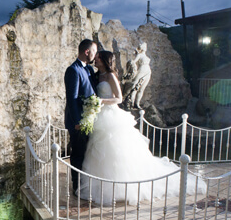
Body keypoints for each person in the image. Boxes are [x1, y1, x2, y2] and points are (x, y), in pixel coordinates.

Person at [78, 50, 205, 205]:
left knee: (115, 151)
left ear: (105, 61)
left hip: (111, 116)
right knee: (98, 151)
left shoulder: (111, 76)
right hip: (100, 116)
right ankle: (102, 186)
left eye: (98, 59)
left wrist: (100, 101)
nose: (95, 61)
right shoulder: (97, 75)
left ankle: (122, 187)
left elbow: (119, 98)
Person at [65, 39, 98, 191]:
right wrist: (78, 122)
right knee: (78, 155)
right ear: (87, 52)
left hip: (90, 119)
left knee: (89, 153)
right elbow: (72, 99)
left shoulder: (89, 70)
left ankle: (87, 185)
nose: (95, 55)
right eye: (94, 52)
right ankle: (77, 188)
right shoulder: (73, 70)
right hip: (79, 123)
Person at [128, 42, 152, 109]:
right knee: (135, 86)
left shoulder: (146, 56)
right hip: (142, 69)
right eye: (144, 46)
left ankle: (137, 103)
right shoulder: (139, 55)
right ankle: (131, 103)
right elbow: (133, 62)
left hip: (148, 71)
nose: (145, 47)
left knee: (142, 89)